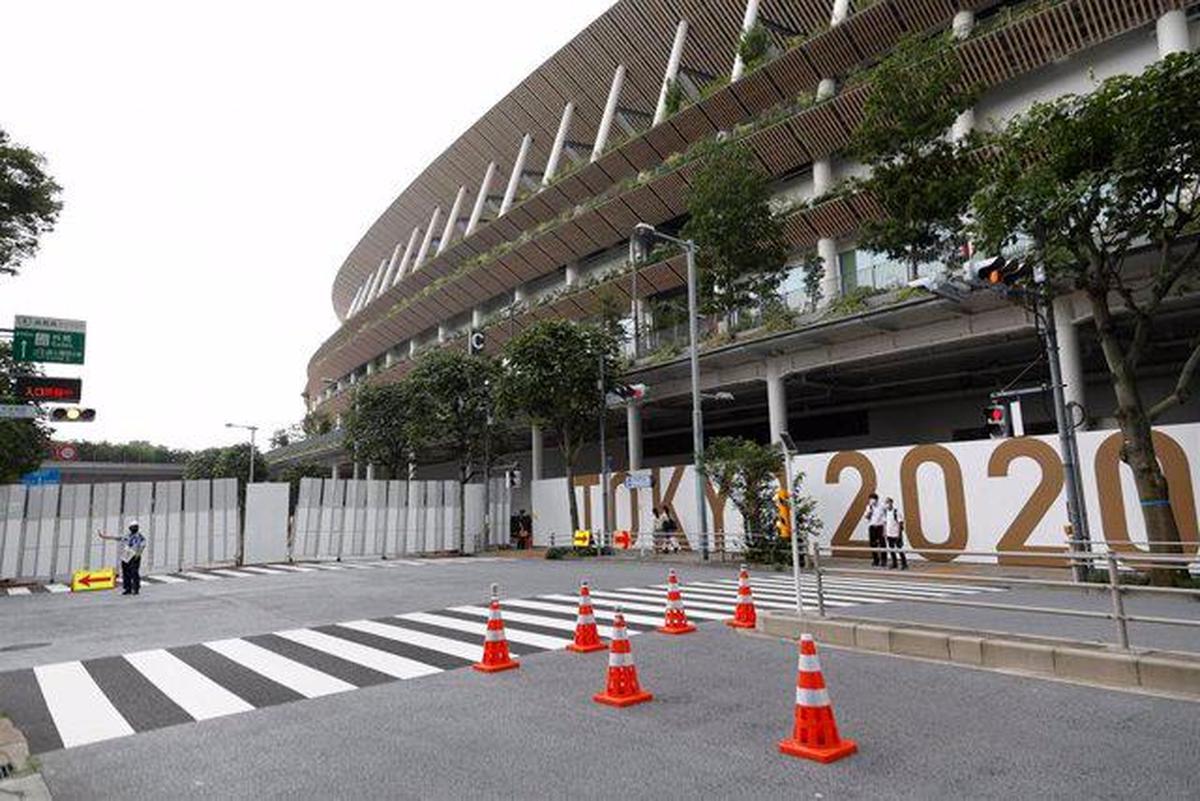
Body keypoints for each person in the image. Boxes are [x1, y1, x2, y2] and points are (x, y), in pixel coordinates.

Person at [98, 520, 147, 595]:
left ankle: (136, 588)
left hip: (134, 556)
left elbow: (142, 546)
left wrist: (138, 554)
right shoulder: (127, 536)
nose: (134, 528)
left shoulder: (140, 537)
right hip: (126, 556)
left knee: (134, 572)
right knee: (126, 573)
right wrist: (104, 536)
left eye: (135, 527)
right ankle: (128, 588)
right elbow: (116, 538)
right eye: (133, 527)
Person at [883, 497, 908, 570]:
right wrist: (885, 532)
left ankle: (904, 564)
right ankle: (894, 563)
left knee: (899, 549)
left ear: (891, 503)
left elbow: (901, 523)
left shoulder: (896, 512)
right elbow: (885, 523)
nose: (887, 504)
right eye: (886, 502)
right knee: (891, 550)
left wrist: (899, 534)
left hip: (896, 534)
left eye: (888, 502)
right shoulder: (886, 512)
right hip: (889, 534)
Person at [864, 493, 887, 567]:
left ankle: (884, 560)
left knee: (882, 544)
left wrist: (885, 527)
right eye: (870, 499)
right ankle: (875, 560)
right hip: (872, 527)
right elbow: (867, 517)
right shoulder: (868, 507)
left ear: (876, 499)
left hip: (880, 527)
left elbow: (886, 515)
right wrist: (870, 511)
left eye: (872, 499)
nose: (871, 501)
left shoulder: (882, 506)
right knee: (872, 544)